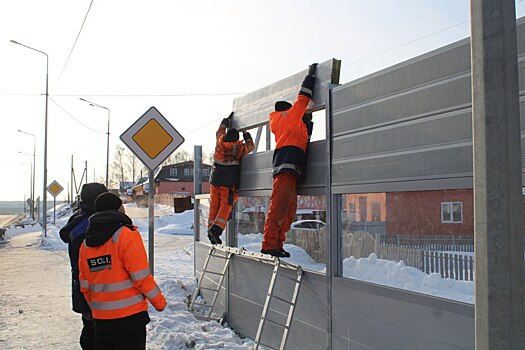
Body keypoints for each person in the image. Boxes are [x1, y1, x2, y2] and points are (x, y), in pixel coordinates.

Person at [78, 192, 166, 350]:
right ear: (119, 209)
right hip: (129, 319)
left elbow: (84, 285)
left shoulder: (86, 244)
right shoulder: (126, 235)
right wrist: (159, 302)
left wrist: (97, 309)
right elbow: (141, 277)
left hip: (101, 321)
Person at [261, 63, 317, 258]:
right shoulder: (291, 116)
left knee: (287, 210)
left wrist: (307, 128)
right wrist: (310, 77)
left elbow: (301, 137)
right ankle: (269, 245)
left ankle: (276, 244)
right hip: (288, 166)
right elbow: (303, 98)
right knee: (279, 208)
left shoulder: (283, 122)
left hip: (289, 167)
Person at [59, 182, 108, 349]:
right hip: (94, 289)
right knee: (96, 336)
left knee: (91, 331)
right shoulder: (93, 223)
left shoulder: (80, 220)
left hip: (84, 287)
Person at [207, 112, 255, 244]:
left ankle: (210, 229)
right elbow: (251, 147)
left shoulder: (220, 142)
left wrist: (224, 121)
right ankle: (216, 230)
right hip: (228, 183)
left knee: (214, 205)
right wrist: (247, 136)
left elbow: (219, 131)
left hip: (215, 180)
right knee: (225, 206)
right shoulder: (239, 148)